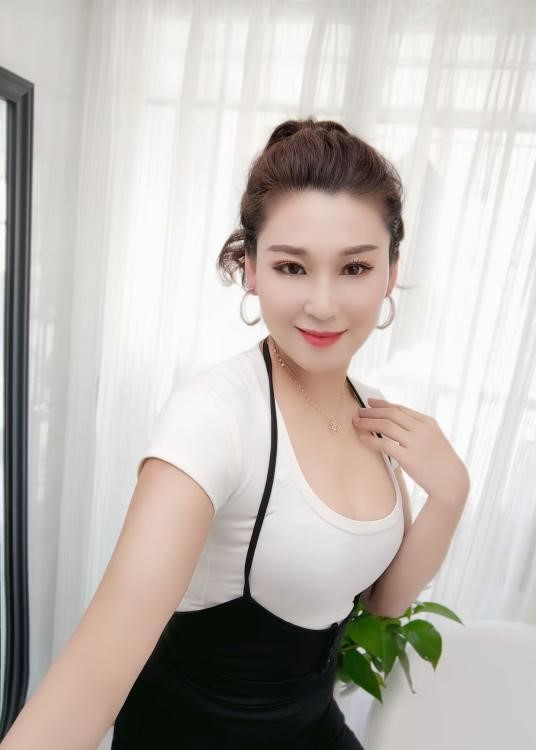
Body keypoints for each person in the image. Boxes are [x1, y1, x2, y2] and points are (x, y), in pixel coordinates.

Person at [1, 117, 412, 750]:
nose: (324, 303)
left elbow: (384, 603)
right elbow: (92, 674)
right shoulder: (214, 419)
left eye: (354, 268)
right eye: (292, 267)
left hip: (309, 726)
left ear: (390, 271)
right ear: (250, 270)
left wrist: (452, 492)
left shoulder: (372, 408)